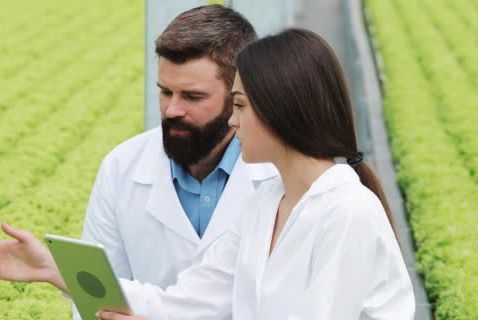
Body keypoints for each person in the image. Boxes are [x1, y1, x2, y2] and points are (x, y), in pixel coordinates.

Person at [0, 2, 277, 307]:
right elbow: (98, 298)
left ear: (237, 96)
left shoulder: (279, 176)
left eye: (192, 96)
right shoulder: (122, 167)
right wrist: (58, 272)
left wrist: (58, 271)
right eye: (165, 92)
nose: (172, 109)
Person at [94, 28, 416, 319]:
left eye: (240, 105)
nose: (231, 121)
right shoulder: (265, 204)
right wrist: (60, 273)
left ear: (280, 110)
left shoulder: (348, 212)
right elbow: (187, 302)